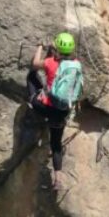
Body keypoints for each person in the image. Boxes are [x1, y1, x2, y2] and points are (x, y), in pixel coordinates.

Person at [27, 32, 83, 190]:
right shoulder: (75, 64)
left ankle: (32, 102)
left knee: (31, 77)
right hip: (63, 111)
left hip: (48, 108)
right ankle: (58, 178)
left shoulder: (50, 62)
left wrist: (40, 47)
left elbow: (35, 64)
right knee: (56, 144)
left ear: (56, 50)